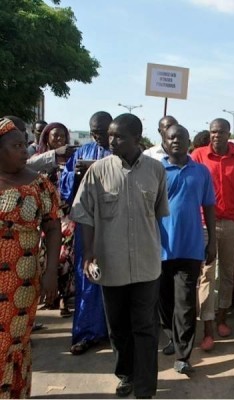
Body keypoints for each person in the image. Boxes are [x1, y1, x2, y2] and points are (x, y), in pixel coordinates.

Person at [71, 113, 169, 398]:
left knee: (146, 326)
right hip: (110, 264)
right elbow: (85, 215)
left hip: (146, 265)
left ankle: (145, 386)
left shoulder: (155, 171)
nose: (110, 141)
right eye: (110, 135)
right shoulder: (97, 171)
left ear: (137, 138)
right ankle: (126, 374)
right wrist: (89, 253)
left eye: (119, 136)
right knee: (118, 327)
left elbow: (159, 214)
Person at [0, 118, 61, 398]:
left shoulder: (40, 185)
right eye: (16, 145)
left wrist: (50, 271)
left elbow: (52, 227)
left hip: (21, 280)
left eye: (25, 144)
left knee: (14, 340)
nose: (25, 151)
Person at [157, 124, 216, 375]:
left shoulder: (201, 172)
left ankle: (183, 353)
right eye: (171, 138)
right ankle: (171, 336)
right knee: (164, 301)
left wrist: (211, 240)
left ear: (188, 140)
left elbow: (210, 207)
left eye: (181, 137)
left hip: (190, 247)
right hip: (159, 247)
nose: (176, 141)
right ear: (164, 142)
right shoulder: (156, 171)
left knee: (186, 302)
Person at [191, 118, 234, 348]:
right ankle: (207, 328)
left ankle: (222, 319)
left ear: (228, 133)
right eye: (213, 132)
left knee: (227, 274)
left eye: (221, 132)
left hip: (233, 223)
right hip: (205, 224)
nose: (216, 135)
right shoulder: (198, 155)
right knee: (206, 275)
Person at [59, 111, 113, 356]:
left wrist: (97, 169)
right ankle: (86, 333)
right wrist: (77, 174)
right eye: (93, 132)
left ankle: (114, 333)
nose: (97, 136)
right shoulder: (82, 152)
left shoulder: (120, 153)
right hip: (87, 224)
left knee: (115, 278)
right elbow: (64, 183)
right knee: (88, 276)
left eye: (101, 132)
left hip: (114, 225)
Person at [34, 123, 75, 318]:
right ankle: (49, 295)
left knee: (65, 259)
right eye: (55, 136)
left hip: (66, 216)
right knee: (45, 258)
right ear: (46, 138)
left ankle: (63, 300)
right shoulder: (39, 160)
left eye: (62, 136)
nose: (59, 139)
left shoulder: (74, 161)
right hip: (44, 218)